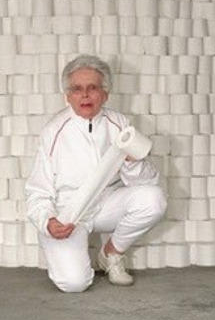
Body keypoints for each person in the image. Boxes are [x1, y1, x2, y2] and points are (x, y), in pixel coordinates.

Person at [25, 55, 166, 292]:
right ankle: (60, 247)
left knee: (154, 199)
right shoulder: (53, 131)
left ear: (106, 93)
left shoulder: (119, 123)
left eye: (93, 88)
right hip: (69, 213)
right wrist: (47, 222)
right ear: (68, 96)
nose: (85, 95)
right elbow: (38, 189)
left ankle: (111, 253)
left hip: (106, 203)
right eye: (77, 89)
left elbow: (148, 182)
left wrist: (132, 163)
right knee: (74, 284)